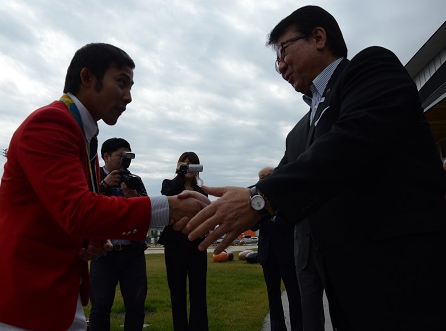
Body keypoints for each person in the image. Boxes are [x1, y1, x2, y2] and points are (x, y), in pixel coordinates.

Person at [184, 6, 446, 330]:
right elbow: (285, 173)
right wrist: (245, 195)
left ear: (318, 37)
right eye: (275, 60)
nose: (280, 67)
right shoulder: (302, 128)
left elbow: (347, 144)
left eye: (283, 51)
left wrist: (260, 199)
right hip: (347, 284)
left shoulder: (371, 69)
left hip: (402, 275)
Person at [0, 43, 210, 331]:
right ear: (87, 77)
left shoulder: (83, 136)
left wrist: (90, 238)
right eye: (121, 83)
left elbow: (56, 210)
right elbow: (78, 209)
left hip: (53, 290)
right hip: (20, 295)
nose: (129, 97)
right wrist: (168, 207)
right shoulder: (51, 123)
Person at [89, 137, 149, 331]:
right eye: (120, 156)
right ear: (105, 156)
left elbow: (146, 210)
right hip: (103, 254)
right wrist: (104, 184)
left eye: (128, 157)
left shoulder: (134, 180)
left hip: (132, 252)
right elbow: (85, 205)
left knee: (136, 306)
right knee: (100, 306)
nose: (125, 161)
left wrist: (134, 197)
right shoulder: (92, 176)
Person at [158, 152, 208, 331]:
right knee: (177, 291)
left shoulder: (201, 191)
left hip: (197, 245)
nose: (188, 167)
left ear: (197, 169)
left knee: (198, 291)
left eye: (192, 164)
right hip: (174, 245)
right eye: (185, 163)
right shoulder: (169, 184)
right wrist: (180, 174)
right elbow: (167, 199)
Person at [256, 167, 302, 331]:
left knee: (295, 296)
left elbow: (292, 219)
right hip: (268, 256)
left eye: (267, 176)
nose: (263, 179)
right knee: (273, 297)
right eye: (261, 177)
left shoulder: (287, 198)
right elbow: (253, 224)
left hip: (288, 254)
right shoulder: (256, 202)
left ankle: (298, 327)